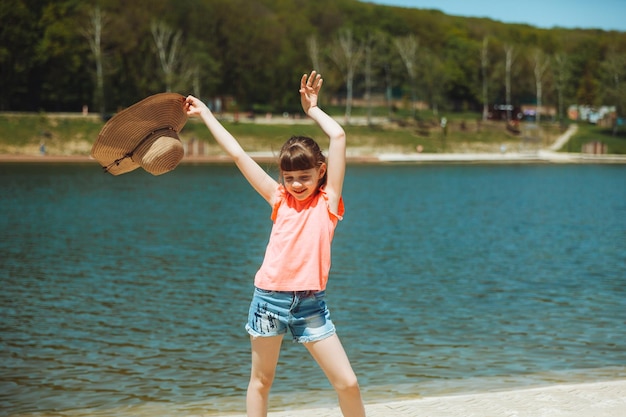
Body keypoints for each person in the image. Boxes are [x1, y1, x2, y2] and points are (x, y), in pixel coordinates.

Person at [185, 71, 366, 417]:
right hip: (267, 300)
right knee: (261, 382)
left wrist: (312, 109)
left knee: (348, 383)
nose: (297, 184)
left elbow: (339, 135)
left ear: (321, 172)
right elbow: (238, 155)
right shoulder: (278, 198)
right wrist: (207, 114)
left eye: (304, 177)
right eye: (289, 178)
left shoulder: (328, 202)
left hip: (311, 305)